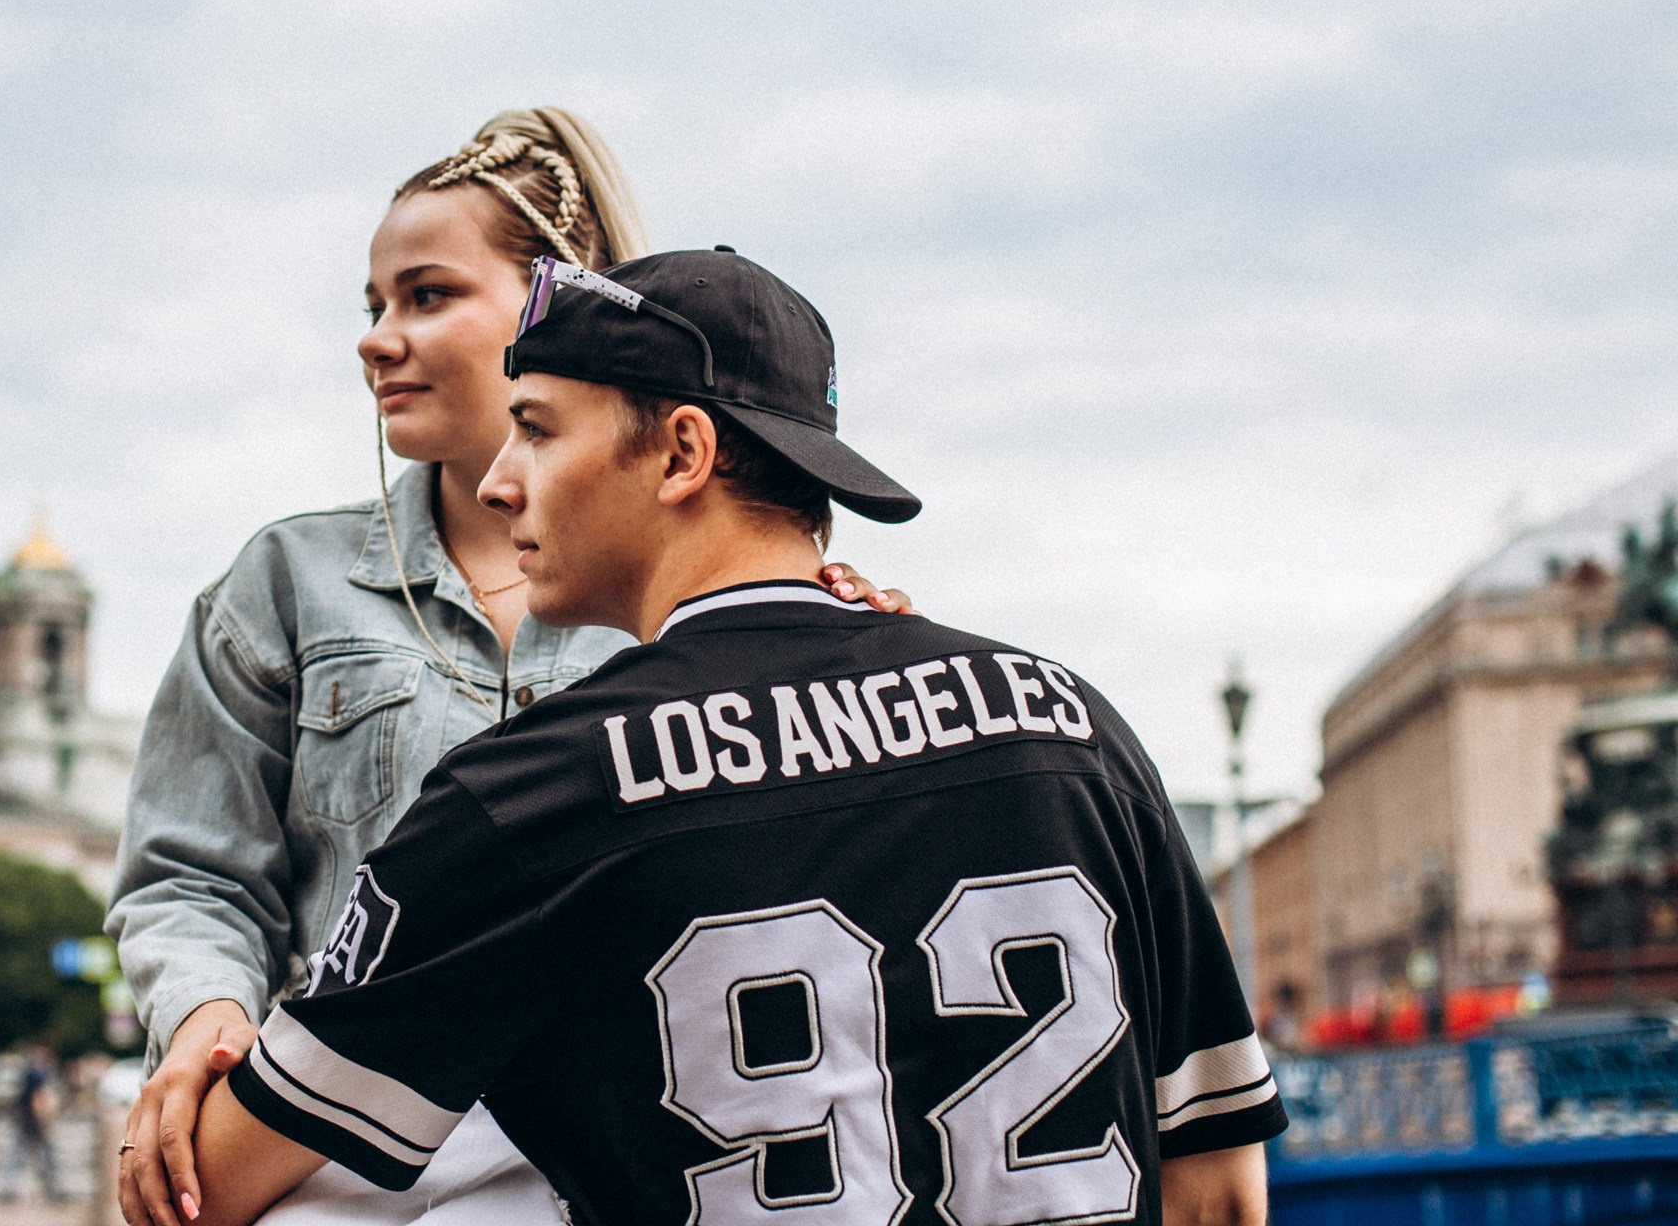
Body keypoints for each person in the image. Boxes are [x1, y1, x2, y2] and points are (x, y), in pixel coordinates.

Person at [171, 248, 1285, 1226]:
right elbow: (1221, 1189)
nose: (500, 482)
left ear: (682, 453)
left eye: (537, 428)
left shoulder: (529, 792)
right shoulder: (1073, 728)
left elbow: (210, 1184)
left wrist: (202, 1045)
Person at [110, 113, 913, 1226]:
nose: (378, 339)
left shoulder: (699, 595)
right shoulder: (286, 581)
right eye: (374, 306)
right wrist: (207, 1017)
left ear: (554, 308)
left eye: (427, 296)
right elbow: (189, 874)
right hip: (342, 1164)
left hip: (634, 1165)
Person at [0, 1042, 67, 1203]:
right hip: (32, 1119)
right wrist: (43, 1120)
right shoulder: (37, 1073)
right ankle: (52, 1189)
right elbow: (38, 1098)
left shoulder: (29, 1071)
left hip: (24, 1117)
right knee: (43, 1154)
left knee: (19, 1153)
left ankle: (7, 1188)